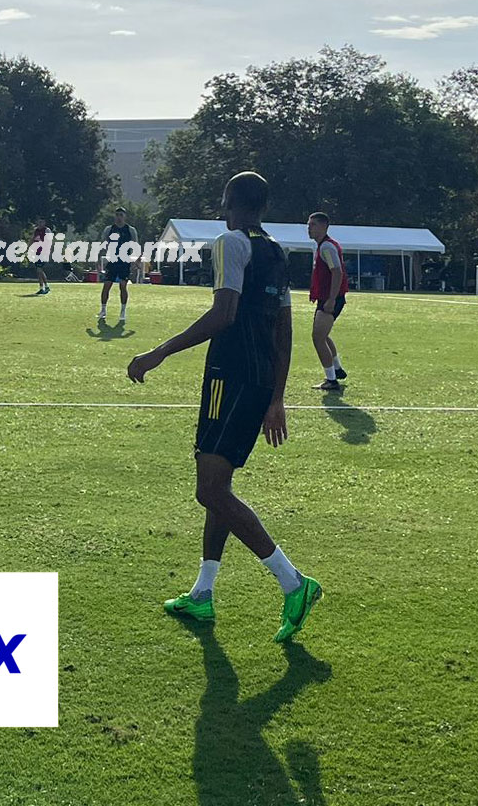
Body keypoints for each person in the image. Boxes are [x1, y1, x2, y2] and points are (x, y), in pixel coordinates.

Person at [127, 171, 318, 643]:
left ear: (228, 202)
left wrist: (159, 352)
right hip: (255, 383)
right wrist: (276, 395)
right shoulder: (277, 251)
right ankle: (202, 593)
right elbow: (284, 328)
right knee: (220, 485)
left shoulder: (230, 242)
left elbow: (224, 313)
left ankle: (293, 583)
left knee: (210, 491)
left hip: (228, 378)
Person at [306, 211, 349, 392]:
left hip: (330, 298)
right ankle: (337, 369)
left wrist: (331, 299)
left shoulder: (326, 247)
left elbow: (337, 272)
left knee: (318, 338)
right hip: (326, 297)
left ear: (324, 226)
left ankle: (331, 380)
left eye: (313, 225)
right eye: (309, 225)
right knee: (323, 335)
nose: (309, 228)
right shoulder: (323, 246)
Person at [99, 207, 139, 322]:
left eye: (121, 215)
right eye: (117, 215)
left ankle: (123, 311)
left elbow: (136, 245)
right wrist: (98, 260)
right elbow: (103, 245)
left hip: (124, 262)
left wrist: (136, 260)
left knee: (123, 286)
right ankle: (103, 310)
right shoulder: (109, 229)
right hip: (112, 261)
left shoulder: (130, 230)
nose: (119, 217)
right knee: (106, 285)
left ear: (125, 216)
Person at [30, 219, 52, 295]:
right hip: (37, 252)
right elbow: (32, 239)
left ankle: (46, 287)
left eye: (42, 222)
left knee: (39, 269)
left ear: (44, 222)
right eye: (39, 222)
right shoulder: (36, 230)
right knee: (39, 270)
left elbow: (49, 241)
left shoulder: (47, 230)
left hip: (43, 252)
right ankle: (42, 287)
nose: (40, 223)